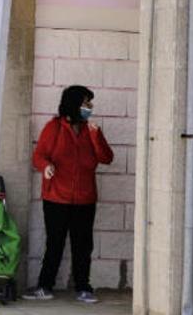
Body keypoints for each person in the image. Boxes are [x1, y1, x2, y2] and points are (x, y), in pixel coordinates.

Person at [24, 85, 114, 304]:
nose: (89, 107)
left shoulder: (91, 129)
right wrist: (46, 166)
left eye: (89, 103)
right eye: (85, 103)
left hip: (85, 198)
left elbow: (106, 157)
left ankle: (83, 287)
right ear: (73, 104)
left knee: (82, 245)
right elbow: (39, 156)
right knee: (55, 243)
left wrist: (95, 136)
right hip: (56, 197)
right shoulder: (53, 128)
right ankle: (45, 286)